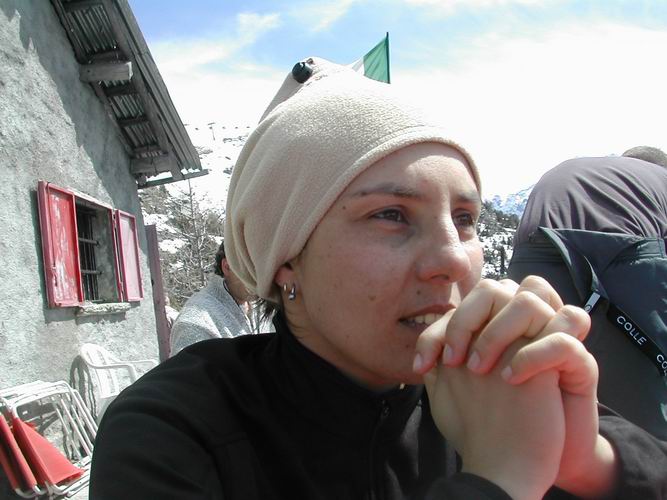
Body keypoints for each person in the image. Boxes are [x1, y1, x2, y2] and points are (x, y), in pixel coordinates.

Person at [90, 58, 667, 499]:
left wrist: (590, 461)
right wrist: (499, 481)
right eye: (391, 214)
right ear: (286, 258)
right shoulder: (174, 428)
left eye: (464, 219)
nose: (454, 259)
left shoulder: (494, 380)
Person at [508, 155, 667, 440]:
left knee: (543, 387)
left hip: (532, 256)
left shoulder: (607, 172)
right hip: (623, 254)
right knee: (645, 417)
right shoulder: (660, 180)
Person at [169, 241, 253, 356]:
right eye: (252, 266)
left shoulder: (263, 305)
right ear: (227, 266)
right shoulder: (195, 323)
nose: (264, 276)